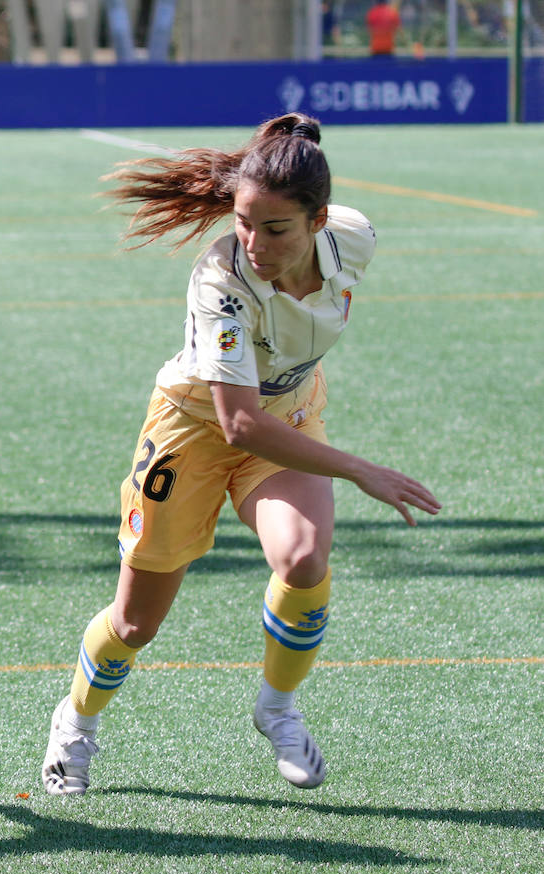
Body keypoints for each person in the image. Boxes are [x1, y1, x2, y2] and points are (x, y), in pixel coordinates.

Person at [40, 113, 440, 796]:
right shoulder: (220, 280)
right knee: (136, 622)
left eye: (274, 227)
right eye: (243, 220)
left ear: (318, 222)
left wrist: (290, 146)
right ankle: (74, 724)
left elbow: (264, 417)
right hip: (195, 431)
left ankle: (277, 708)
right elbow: (237, 425)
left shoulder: (353, 238)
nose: (251, 241)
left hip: (287, 417)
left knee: (305, 557)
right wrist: (360, 468)